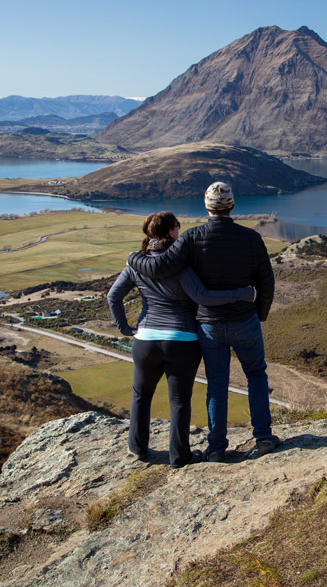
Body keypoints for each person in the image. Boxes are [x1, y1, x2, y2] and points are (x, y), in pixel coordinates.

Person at [126, 181, 278, 462]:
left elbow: (160, 267)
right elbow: (266, 283)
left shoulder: (191, 238)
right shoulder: (252, 238)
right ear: (231, 206)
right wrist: (259, 314)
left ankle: (217, 448)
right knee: (256, 375)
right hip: (245, 321)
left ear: (206, 207)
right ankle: (264, 437)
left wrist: (133, 258)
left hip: (209, 326)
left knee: (217, 384)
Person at [107, 211, 255, 469]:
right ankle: (179, 456)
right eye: (178, 228)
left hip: (145, 339)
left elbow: (113, 297)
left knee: (141, 395)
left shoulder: (136, 264)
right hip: (182, 341)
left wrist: (125, 328)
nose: (180, 232)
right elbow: (203, 296)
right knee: (179, 401)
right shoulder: (181, 264)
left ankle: (137, 448)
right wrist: (240, 294)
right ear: (171, 232)